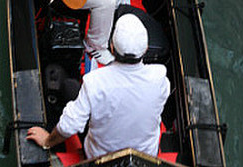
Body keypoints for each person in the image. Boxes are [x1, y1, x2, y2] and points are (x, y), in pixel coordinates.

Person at [26, 12, 170, 158]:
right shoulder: (160, 78)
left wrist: (47, 141)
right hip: (146, 155)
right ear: (145, 49)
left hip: (101, 156)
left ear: (112, 48)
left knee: (69, 86)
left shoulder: (95, 82)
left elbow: (68, 126)